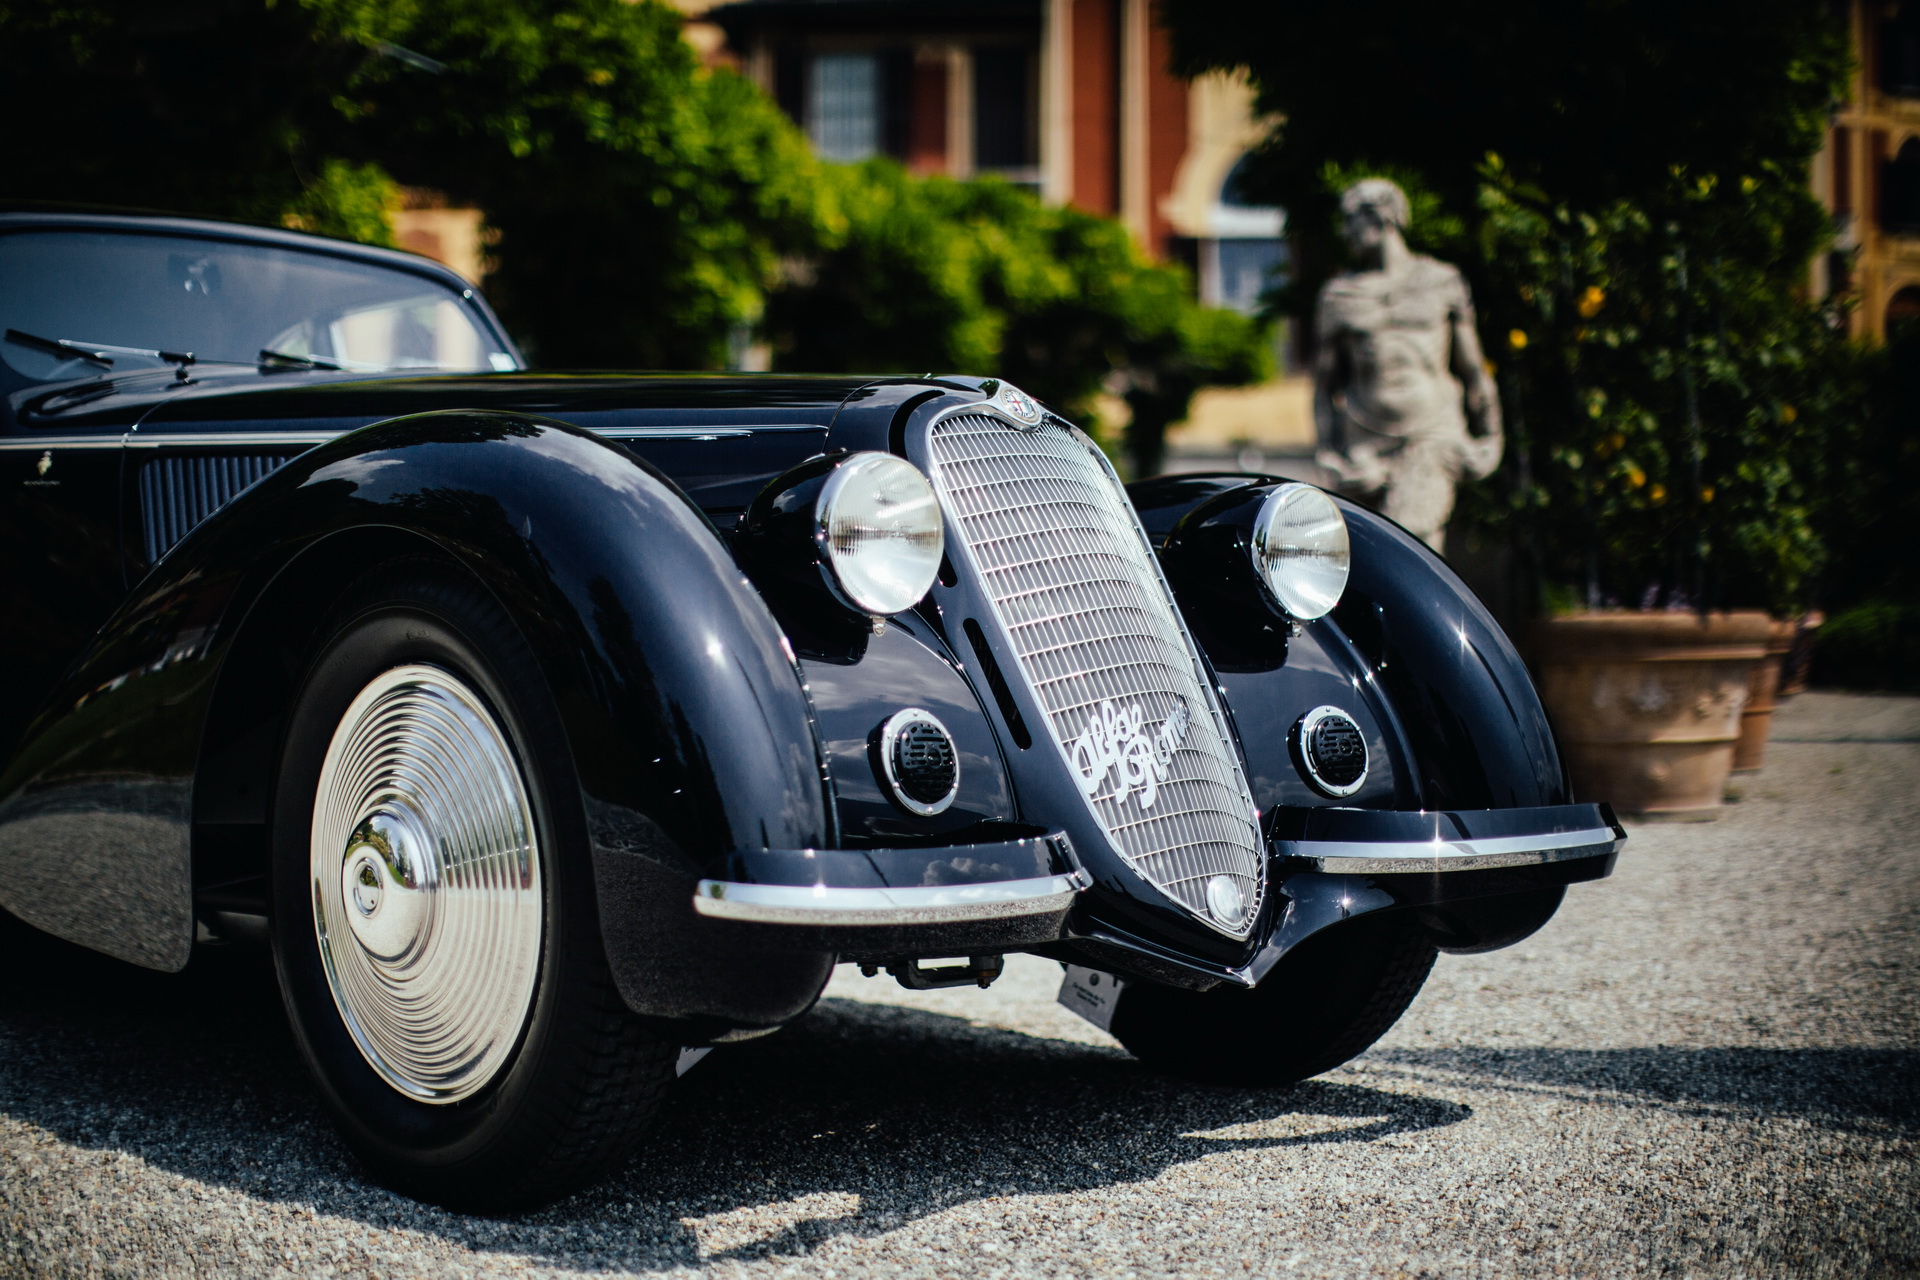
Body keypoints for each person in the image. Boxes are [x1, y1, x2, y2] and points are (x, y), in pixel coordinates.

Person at [1312, 178, 1503, 553]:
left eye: (1350, 220)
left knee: (1413, 543)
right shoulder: (1339, 296)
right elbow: (1323, 386)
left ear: (1379, 216)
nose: (1344, 231)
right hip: (1364, 444)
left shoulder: (1441, 282)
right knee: (1366, 557)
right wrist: (1327, 453)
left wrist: (1491, 435)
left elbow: (1473, 370)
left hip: (1429, 434)